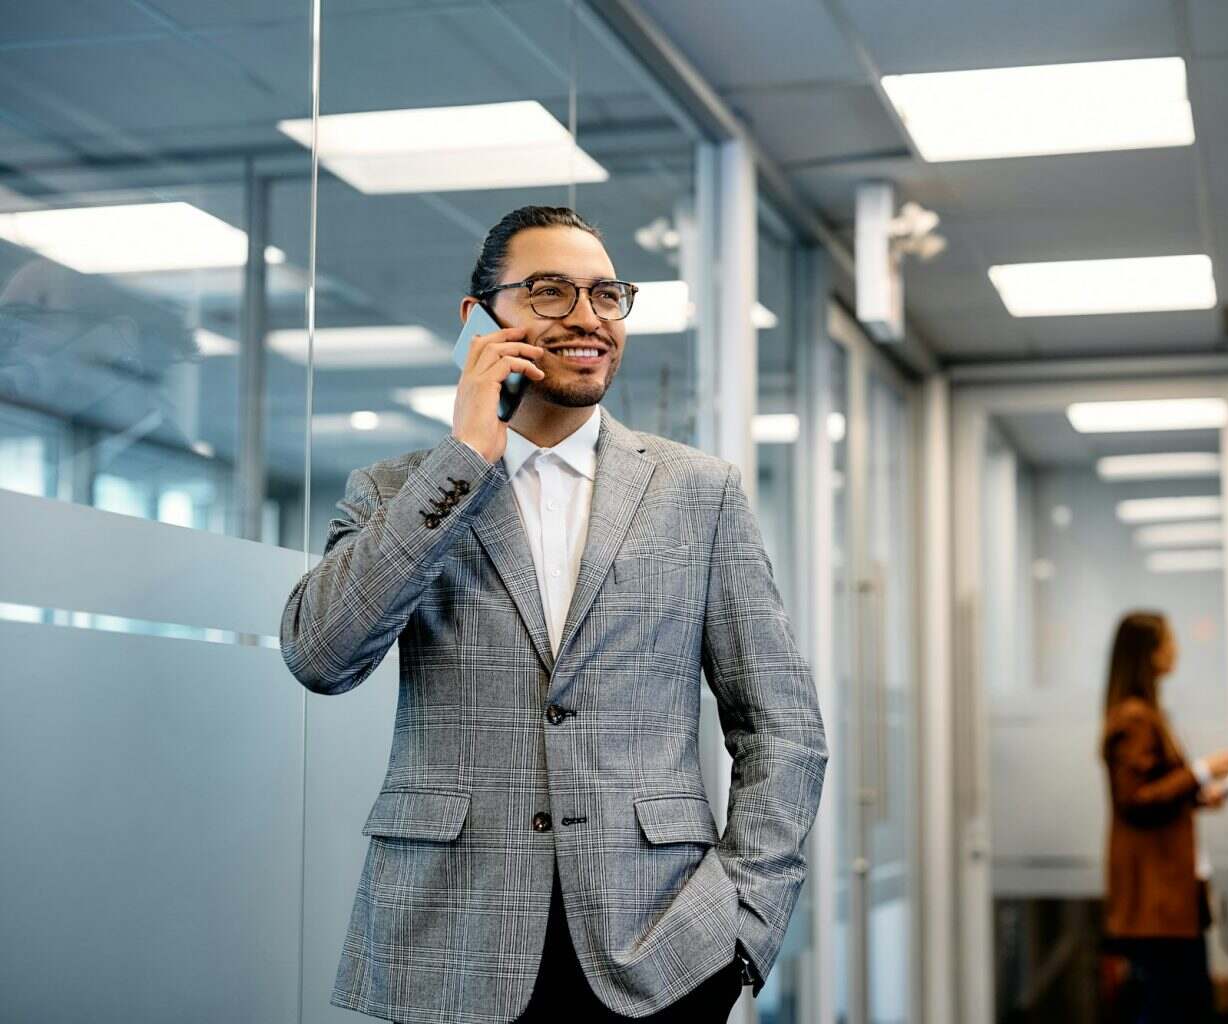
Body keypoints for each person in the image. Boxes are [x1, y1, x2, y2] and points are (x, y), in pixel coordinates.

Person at [280, 206, 827, 1024]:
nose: (586, 317)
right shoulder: (400, 493)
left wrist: (744, 922)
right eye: (549, 291)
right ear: (479, 321)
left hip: (663, 949)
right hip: (449, 948)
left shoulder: (698, 492)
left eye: (607, 295)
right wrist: (464, 457)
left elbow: (783, 726)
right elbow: (321, 655)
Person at [1101, 611, 1228, 1024]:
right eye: (1168, 641)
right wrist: (1200, 772)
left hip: (1173, 890)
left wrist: (1196, 795)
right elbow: (1134, 799)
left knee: (1182, 1000)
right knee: (1171, 1004)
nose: (1176, 649)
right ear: (1148, 654)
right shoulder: (1134, 717)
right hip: (1157, 894)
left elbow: (1158, 791)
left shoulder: (1148, 713)